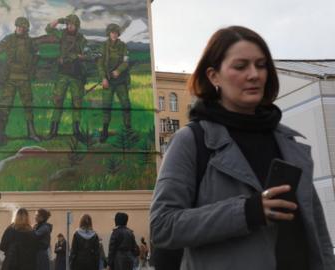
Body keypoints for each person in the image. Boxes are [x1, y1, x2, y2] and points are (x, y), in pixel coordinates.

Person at [150, 25, 335, 270]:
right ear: (214, 76)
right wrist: (247, 211)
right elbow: (163, 225)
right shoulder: (191, 141)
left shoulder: (289, 144)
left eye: (261, 65)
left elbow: (317, 233)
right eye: (240, 66)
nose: (254, 74)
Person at [0, 16, 41, 145]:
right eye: (18, 27)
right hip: (10, 78)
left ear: (26, 29)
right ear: (15, 27)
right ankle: (1, 136)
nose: (20, 29)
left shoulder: (30, 42)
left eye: (22, 27)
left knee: (28, 105)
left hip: (24, 78)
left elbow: (37, 54)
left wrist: (32, 67)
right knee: (5, 106)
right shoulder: (9, 39)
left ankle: (32, 133)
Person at [45, 14, 87, 141]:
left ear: (77, 26)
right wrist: (59, 20)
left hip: (76, 74)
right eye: (68, 24)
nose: (70, 26)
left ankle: (76, 131)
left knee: (77, 103)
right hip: (62, 74)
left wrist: (79, 56)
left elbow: (86, 54)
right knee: (58, 102)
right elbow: (48, 29)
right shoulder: (62, 35)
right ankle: (53, 131)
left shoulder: (81, 39)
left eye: (72, 24)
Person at [97, 23, 131, 142]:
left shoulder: (123, 46)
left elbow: (126, 62)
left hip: (121, 81)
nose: (114, 34)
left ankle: (128, 131)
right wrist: (103, 78)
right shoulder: (104, 46)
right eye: (112, 32)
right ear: (109, 33)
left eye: (116, 32)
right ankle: (105, 132)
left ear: (118, 34)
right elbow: (100, 63)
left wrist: (118, 70)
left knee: (126, 105)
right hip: (108, 81)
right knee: (106, 106)